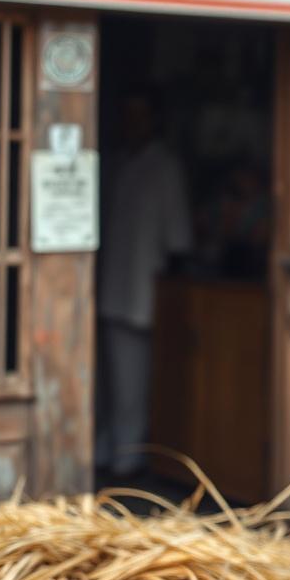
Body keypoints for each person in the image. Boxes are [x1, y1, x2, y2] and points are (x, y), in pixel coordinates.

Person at [96, 85, 192, 478]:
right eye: (128, 114)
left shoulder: (164, 166)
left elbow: (178, 237)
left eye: (140, 114)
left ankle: (129, 457)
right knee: (108, 380)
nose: (132, 122)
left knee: (132, 384)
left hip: (142, 288)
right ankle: (106, 447)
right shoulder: (121, 161)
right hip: (111, 285)